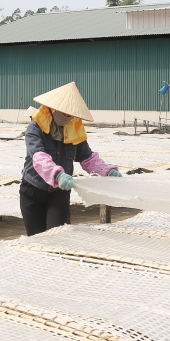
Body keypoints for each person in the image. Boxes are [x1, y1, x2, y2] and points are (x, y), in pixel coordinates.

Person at [20, 82, 122, 236]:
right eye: (64, 112)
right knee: (36, 239)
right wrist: (57, 174)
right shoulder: (35, 128)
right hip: (33, 191)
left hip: (59, 193)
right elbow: (38, 156)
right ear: (53, 109)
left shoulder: (75, 129)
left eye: (70, 114)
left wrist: (106, 171)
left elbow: (87, 157)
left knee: (57, 235)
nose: (67, 117)